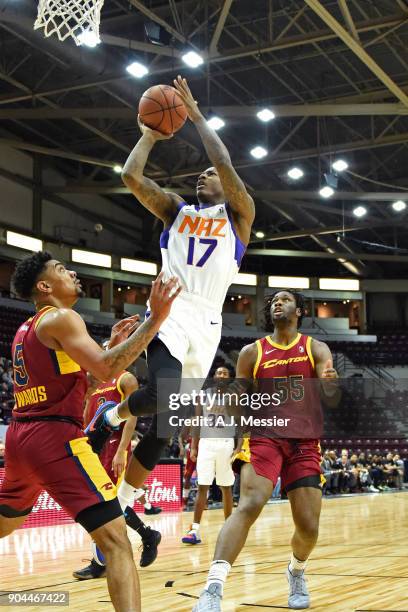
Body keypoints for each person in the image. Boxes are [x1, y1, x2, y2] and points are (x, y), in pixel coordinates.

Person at [86, 75, 255, 519]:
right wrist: (147, 137)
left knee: (168, 425)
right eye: (200, 173)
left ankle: (120, 510)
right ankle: (111, 415)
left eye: (212, 174)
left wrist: (197, 119)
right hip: (171, 309)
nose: (204, 174)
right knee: (163, 394)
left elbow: (225, 162)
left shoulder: (238, 218)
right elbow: (130, 175)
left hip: (209, 321)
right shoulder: (176, 210)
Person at [0, 251, 180, 612]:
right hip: (55, 438)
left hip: (21, 437)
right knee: (116, 543)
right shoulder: (63, 318)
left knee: (4, 523)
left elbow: (95, 376)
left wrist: (110, 346)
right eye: (62, 270)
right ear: (45, 286)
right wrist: (157, 318)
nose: (73, 273)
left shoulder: (28, 328)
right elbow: (107, 367)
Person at [193, 290, 338, 611]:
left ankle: (296, 571)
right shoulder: (251, 352)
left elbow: (331, 398)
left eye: (285, 299)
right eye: (273, 300)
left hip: (304, 441)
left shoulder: (315, 348)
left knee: (309, 527)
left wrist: (330, 383)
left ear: (299, 310)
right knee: (251, 502)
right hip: (263, 437)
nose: (277, 303)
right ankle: (212, 588)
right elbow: (239, 403)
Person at [74, 339, 161, 580]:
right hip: (94, 446)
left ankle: (100, 561)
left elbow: (131, 415)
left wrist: (123, 449)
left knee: (104, 504)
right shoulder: (95, 379)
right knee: (106, 504)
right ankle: (147, 535)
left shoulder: (126, 379)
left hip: (113, 446)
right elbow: (85, 413)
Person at [182, 366, 241, 545]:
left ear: (229, 378)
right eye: (218, 373)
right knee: (202, 486)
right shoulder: (204, 394)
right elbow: (198, 421)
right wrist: (194, 446)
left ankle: (229, 529)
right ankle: (194, 530)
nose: (221, 375)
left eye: (225, 373)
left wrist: (239, 447)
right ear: (214, 377)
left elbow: (241, 424)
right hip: (206, 444)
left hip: (226, 444)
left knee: (225, 487)